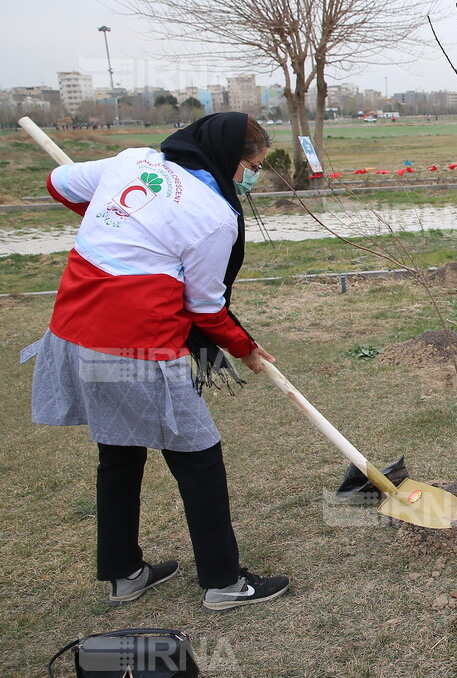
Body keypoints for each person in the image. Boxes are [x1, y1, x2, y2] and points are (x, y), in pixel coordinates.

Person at [22, 112, 289, 612]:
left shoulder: (136, 161)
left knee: (120, 450)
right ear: (230, 159)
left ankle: (125, 573)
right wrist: (244, 347)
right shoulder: (213, 214)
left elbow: (60, 184)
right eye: (248, 166)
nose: (249, 176)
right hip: (135, 347)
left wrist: (119, 220)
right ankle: (223, 582)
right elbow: (205, 304)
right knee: (199, 458)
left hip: (73, 332)